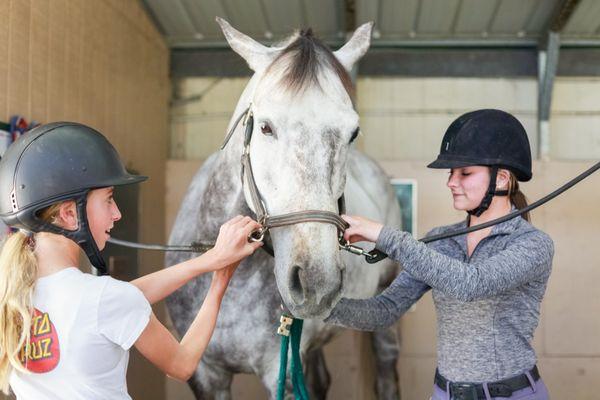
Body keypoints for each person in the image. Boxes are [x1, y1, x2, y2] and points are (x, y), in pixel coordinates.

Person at [0, 122, 263, 399]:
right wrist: (220, 279)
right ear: (68, 214)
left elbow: (125, 297)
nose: (117, 214)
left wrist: (210, 260)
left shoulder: (13, 294)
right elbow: (182, 365)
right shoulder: (103, 298)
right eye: (109, 200)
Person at [326, 109, 554, 400]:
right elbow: (384, 311)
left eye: (465, 173)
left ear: (502, 179)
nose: (451, 182)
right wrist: (319, 306)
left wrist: (384, 235)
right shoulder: (440, 241)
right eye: (451, 173)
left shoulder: (533, 244)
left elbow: (471, 284)